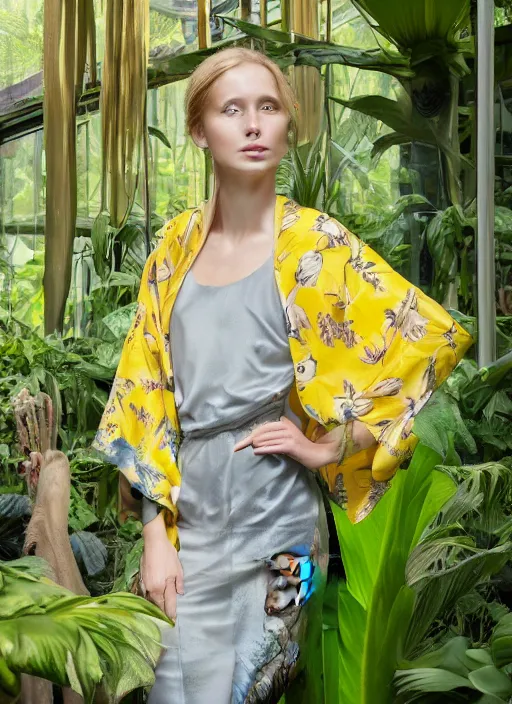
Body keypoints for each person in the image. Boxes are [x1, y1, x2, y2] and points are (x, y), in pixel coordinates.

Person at [93, 47, 473, 704]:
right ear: (199, 130)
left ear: (286, 126)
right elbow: (143, 397)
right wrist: (154, 538)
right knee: (174, 692)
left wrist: (327, 445)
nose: (252, 125)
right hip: (192, 524)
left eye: (268, 108)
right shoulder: (175, 249)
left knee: (255, 681)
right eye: (231, 109)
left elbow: (424, 342)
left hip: (288, 533)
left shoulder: (317, 243)